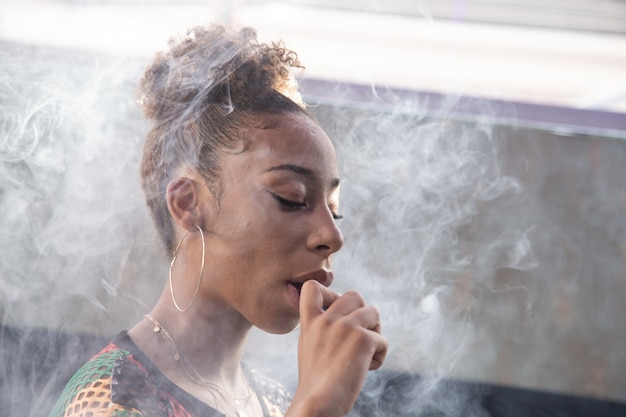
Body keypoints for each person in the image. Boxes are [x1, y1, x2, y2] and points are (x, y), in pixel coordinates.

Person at [49, 25, 387, 417]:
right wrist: (318, 406)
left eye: (334, 209)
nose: (332, 234)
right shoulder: (114, 397)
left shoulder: (273, 401)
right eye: (291, 198)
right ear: (188, 204)